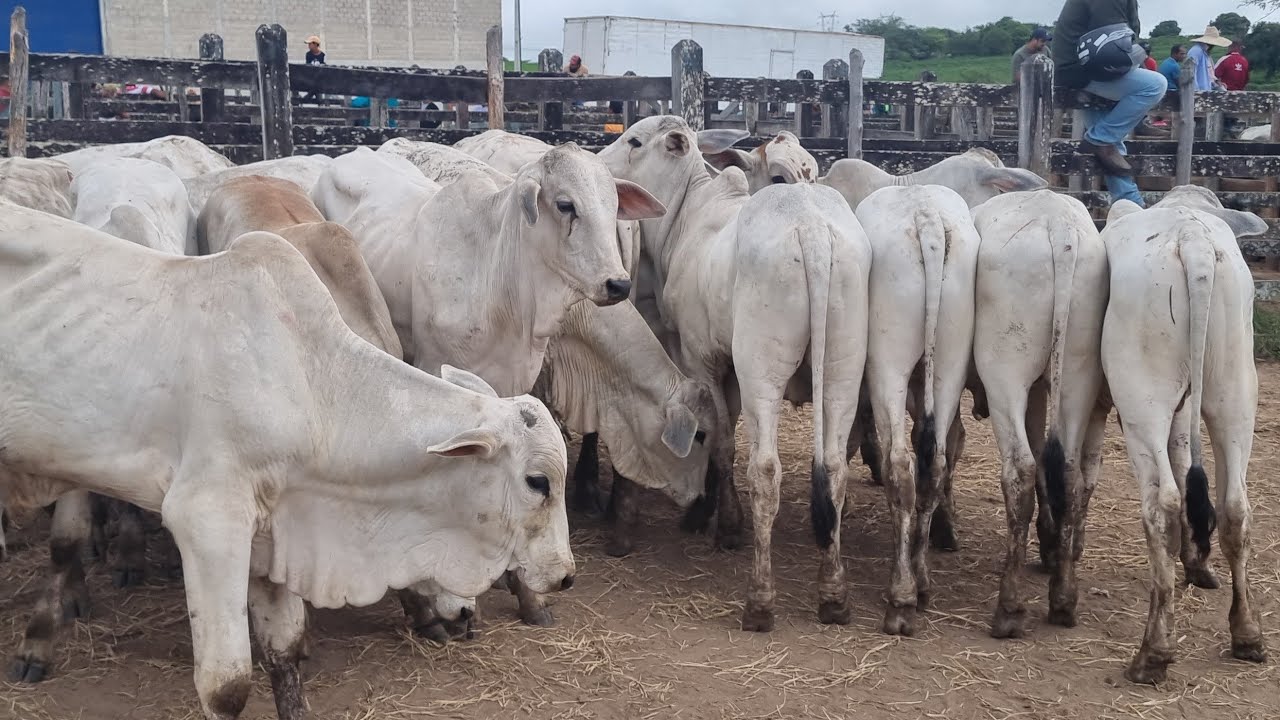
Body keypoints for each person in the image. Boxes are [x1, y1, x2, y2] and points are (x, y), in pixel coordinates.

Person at [1051, 0, 1167, 206]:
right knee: (1155, 85)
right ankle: (1100, 139)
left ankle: (1130, 203)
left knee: (1110, 144)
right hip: (1085, 68)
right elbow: (1113, 39)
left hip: (1086, 65)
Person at [1186, 26, 1231, 91]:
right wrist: (1195, 91)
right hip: (1197, 92)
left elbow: (1209, 75)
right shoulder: (1196, 51)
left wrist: (1216, 82)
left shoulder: (1206, 54)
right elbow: (1191, 74)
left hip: (1205, 91)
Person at [304, 36, 325, 103]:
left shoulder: (322, 55)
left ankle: (308, 97)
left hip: (319, 79)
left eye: (310, 44)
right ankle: (319, 101)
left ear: (315, 44)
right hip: (310, 79)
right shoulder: (308, 54)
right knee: (317, 91)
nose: (309, 46)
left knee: (317, 87)